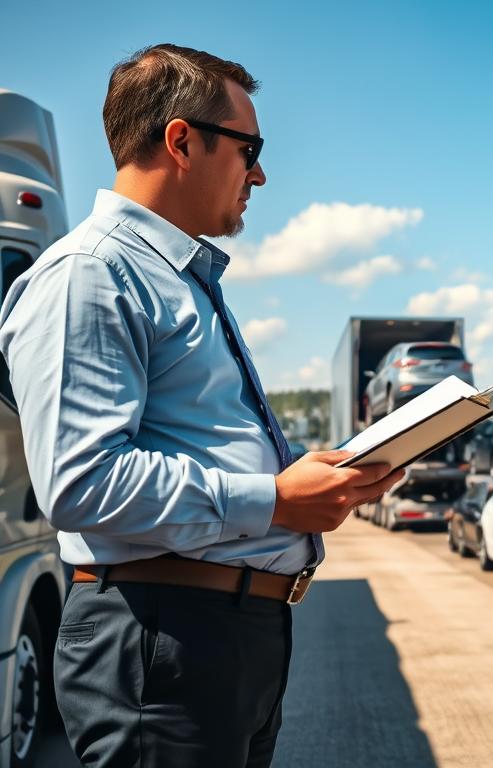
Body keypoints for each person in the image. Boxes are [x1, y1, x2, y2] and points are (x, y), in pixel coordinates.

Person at [0, 44, 404, 767]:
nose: (259, 173)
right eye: (249, 148)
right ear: (182, 141)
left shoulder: (174, 277)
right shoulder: (91, 274)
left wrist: (310, 482)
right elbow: (80, 482)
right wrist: (276, 502)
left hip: (216, 638)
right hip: (162, 637)